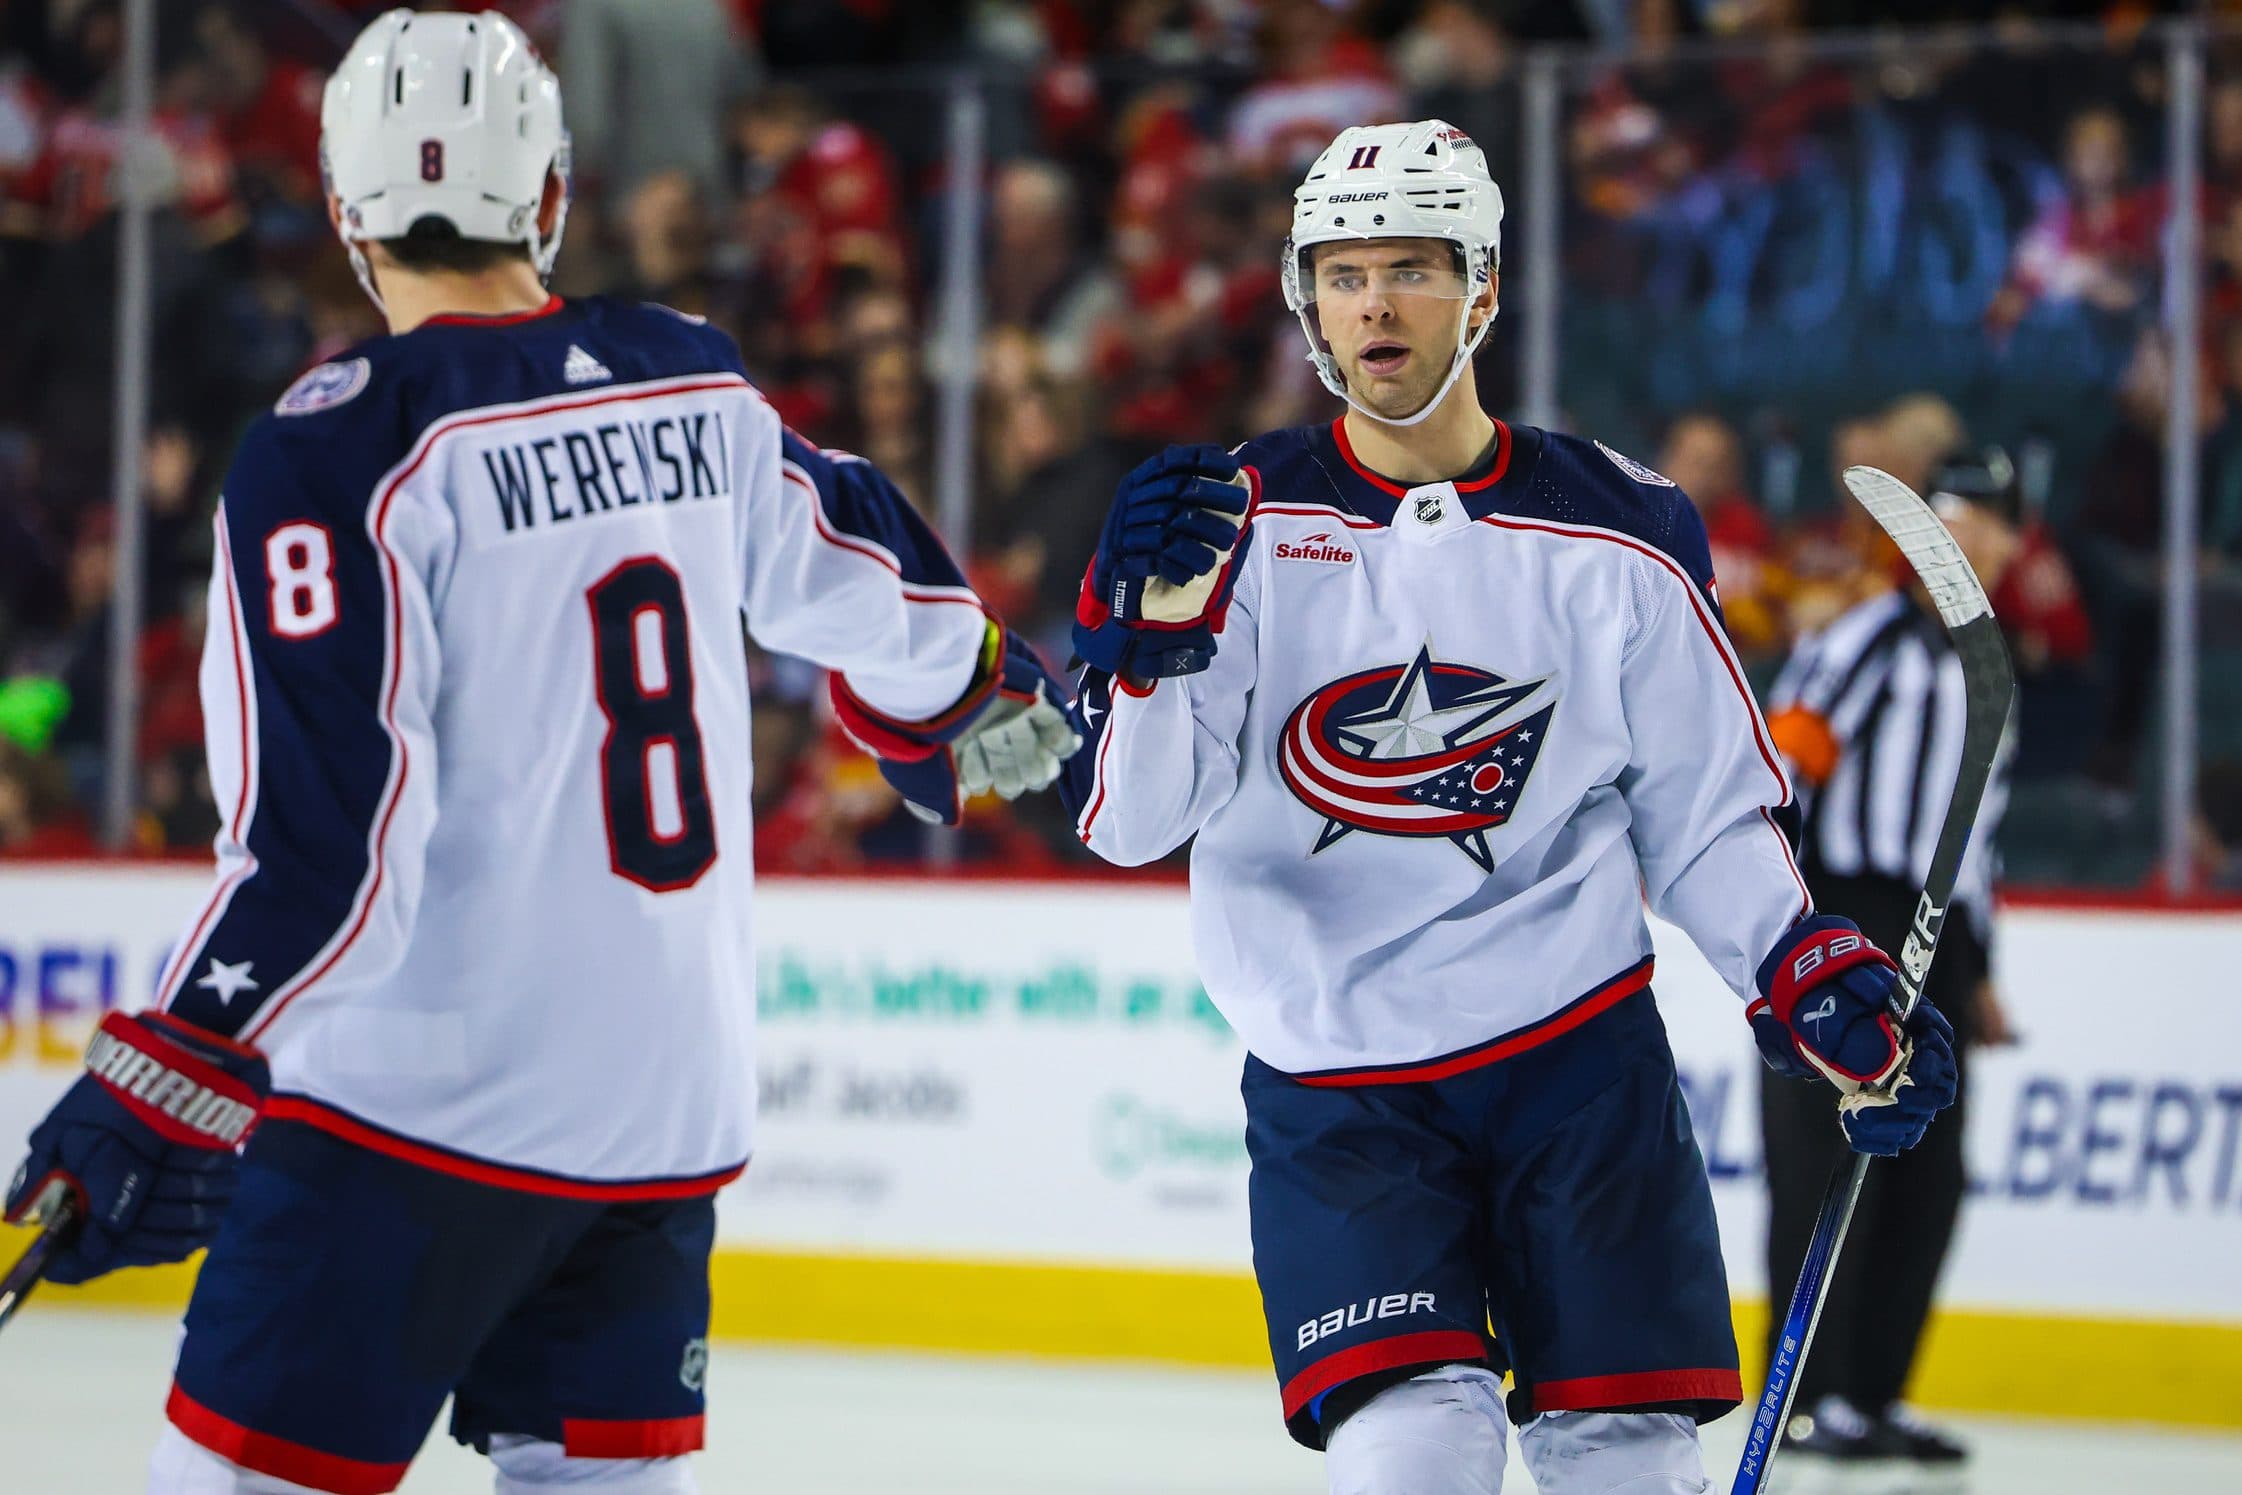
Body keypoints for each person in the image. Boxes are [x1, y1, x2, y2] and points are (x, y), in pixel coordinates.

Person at [3, 11, 1078, 1494]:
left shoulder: (339, 449)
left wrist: (170, 1064)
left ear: (344, 210)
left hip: (415, 1113)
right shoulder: (692, 379)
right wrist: (978, 711)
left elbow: (332, 852)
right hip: (659, 1111)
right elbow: (892, 592)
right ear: (554, 191)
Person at [1060, 118, 1958, 1495]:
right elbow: (1131, 822)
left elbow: (1704, 812)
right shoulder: (1225, 523)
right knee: (1414, 1446)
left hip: (1579, 1065)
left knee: (1624, 1460)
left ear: (1480, 288)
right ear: (1307, 300)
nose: (1374, 304)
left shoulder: (1621, 525)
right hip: (1337, 1077)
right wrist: (1151, 646)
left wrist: (1796, 965)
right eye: (1344, 274)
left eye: (1410, 269)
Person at [1758, 446, 2022, 1471]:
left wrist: (1980, 966)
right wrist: (1784, 926)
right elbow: (1786, 763)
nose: (1970, 538)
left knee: (1929, 1171)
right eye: (1954, 515)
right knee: (1825, 1153)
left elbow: (1977, 835)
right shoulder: (1867, 637)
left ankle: (1874, 1392)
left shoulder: (1989, 671)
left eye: (1989, 521)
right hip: (1844, 915)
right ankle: (1807, 1392)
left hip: (1937, 928)